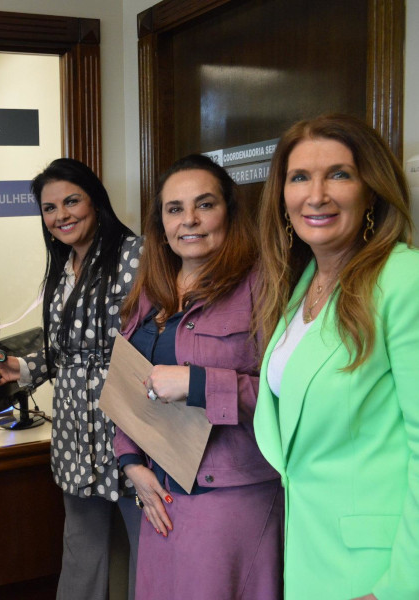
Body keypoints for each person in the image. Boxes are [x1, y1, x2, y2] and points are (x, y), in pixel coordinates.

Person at [253, 113, 419, 599]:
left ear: (371, 189)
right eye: (300, 177)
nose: (316, 194)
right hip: (309, 554)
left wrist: (396, 588)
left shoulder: (404, 281)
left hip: (377, 569)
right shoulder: (301, 286)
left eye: (339, 175)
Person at [113, 154, 283, 599]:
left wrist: (198, 383)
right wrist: (130, 462)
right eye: (175, 209)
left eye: (205, 205)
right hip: (162, 494)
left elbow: (284, 397)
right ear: (161, 224)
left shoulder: (264, 285)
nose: (189, 220)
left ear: (229, 211)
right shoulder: (153, 289)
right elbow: (129, 384)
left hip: (230, 498)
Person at [0, 158, 143, 600]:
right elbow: (68, 350)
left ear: (95, 200)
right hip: (75, 430)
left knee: (150, 549)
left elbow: (152, 336)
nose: (61, 216)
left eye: (71, 201)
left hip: (128, 424)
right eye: (49, 208)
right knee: (81, 552)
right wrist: (23, 369)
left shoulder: (135, 254)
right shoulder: (63, 267)